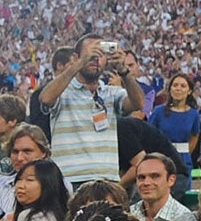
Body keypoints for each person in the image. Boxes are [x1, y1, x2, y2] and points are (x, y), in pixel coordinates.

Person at [37, 36, 143, 187]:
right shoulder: (63, 90)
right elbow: (46, 99)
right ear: (76, 57)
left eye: (100, 55)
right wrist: (78, 65)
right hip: (69, 179)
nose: (95, 60)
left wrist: (124, 71)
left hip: (106, 179)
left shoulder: (111, 92)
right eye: (90, 54)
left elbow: (138, 103)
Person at [130, 152, 197, 221]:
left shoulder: (183, 217)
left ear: (171, 180)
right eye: (141, 177)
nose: (146, 182)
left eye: (155, 176)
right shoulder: (129, 214)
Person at [2, 160, 68, 221]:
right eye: (19, 179)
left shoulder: (30, 217)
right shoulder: (59, 214)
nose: (20, 186)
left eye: (30, 180)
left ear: (48, 184)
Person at [147, 74, 201, 173]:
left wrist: (186, 152)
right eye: (175, 85)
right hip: (161, 159)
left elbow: (195, 136)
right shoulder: (158, 111)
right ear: (170, 89)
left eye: (183, 86)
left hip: (183, 161)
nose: (178, 89)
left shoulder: (194, 114)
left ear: (189, 91)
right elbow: (149, 135)